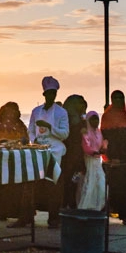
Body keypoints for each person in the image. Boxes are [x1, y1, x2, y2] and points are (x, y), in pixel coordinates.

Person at [25, 76, 69, 228]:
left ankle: (53, 217)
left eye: (53, 93)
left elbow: (64, 134)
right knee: (32, 183)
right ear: (44, 95)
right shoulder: (36, 111)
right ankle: (28, 215)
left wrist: (50, 128)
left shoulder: (62, 113)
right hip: (38, 150)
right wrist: (34, 140)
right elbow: (30, 129)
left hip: (54, 151)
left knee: (53, 185)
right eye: (48, 93)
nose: (50, 96)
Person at [101, 90, 126, 226]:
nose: (119, 100)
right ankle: (114, 212)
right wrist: (112, 156)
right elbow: (106, 138)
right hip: (115, 159)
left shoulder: (124, 115)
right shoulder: (107, 116)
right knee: (115, 188)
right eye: (116, 98)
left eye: (121, 98)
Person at [60, 94, 87, 209]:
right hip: (73, 155)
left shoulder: (74, 119)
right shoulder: (74, 122)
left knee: (71, 181)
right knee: (70, 181)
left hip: (73, 154)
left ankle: (69, 204)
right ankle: (70, 204)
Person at [79, 111, 107, 210]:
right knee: (89, 183)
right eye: (93, 120)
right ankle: (85, 207)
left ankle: (98, 207)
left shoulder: (99, 132)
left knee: (101, 184)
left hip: (97, 161)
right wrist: (92, 152)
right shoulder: (85, 132)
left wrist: (104, 148)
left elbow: (103, 143)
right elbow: (85, 146)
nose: (95, 122)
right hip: (89, 161)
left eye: (97, 120)